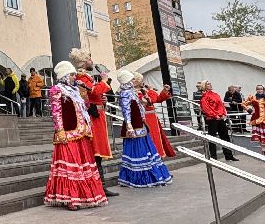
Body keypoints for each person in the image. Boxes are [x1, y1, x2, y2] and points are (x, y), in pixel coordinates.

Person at [44, 61, 108, 210]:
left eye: (74, 74)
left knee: (83, 166)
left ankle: (86, 195)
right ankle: (72, 198)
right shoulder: (56, 90)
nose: (75, 77)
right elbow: (56, 112)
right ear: (65, 75)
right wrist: (60, 131)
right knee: (71, 167)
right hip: (68, 133)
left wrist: (86, 98)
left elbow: (83, 108)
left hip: (81, 131)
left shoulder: (75, 90)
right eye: (72, 74)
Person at [115, 72, 173, 187]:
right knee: (138, 151)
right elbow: (126, 111)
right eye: (131, 80)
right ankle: (141, 177)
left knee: (147, 149)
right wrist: (129, 126)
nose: (133, 82)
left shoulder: (133, 92)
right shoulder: (126, 93)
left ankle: (153, 173)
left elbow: (150, 101)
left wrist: (142, 101)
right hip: (135, 125)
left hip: (141, 123)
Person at [87, 65, 119, 197]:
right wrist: (104, 81)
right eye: (88, 59)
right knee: (96, 153)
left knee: (98, 154)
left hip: (98, 117)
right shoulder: (82, 77)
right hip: (93, 120)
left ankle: (102, 187)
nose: (91, 61)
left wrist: (103, 101)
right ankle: (100, 187)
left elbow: (94, 96)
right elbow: (93, 92)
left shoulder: (86, 77)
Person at [199, 81, 238, 162]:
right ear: (204, 86)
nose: (210, 85)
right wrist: (214, 115)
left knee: (225, 137)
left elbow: (221, 105)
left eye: (210, 83)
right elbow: (206, 108)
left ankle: (229, 155)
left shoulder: (215, 94)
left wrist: (223, 114)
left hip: (220, 118)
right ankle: (213, 157)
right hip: (212, 119)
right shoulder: (204, 96)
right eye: (208, 84)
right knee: (212, 138)